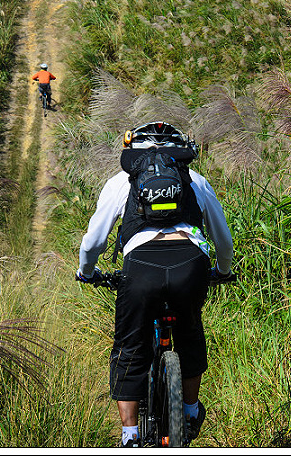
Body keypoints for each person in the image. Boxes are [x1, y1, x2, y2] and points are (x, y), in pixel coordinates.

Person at [75, 121, 235, 447]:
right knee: (189, 331)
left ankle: (130, 436)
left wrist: (87, 272)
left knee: (131, 345)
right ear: (180, 151)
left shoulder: (122, 181)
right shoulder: (195, 181)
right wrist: (222, 270)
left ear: (132, 150)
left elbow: (94, 241)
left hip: (141, 268)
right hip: (190, 264)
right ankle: (189, 412)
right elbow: (224, 240)